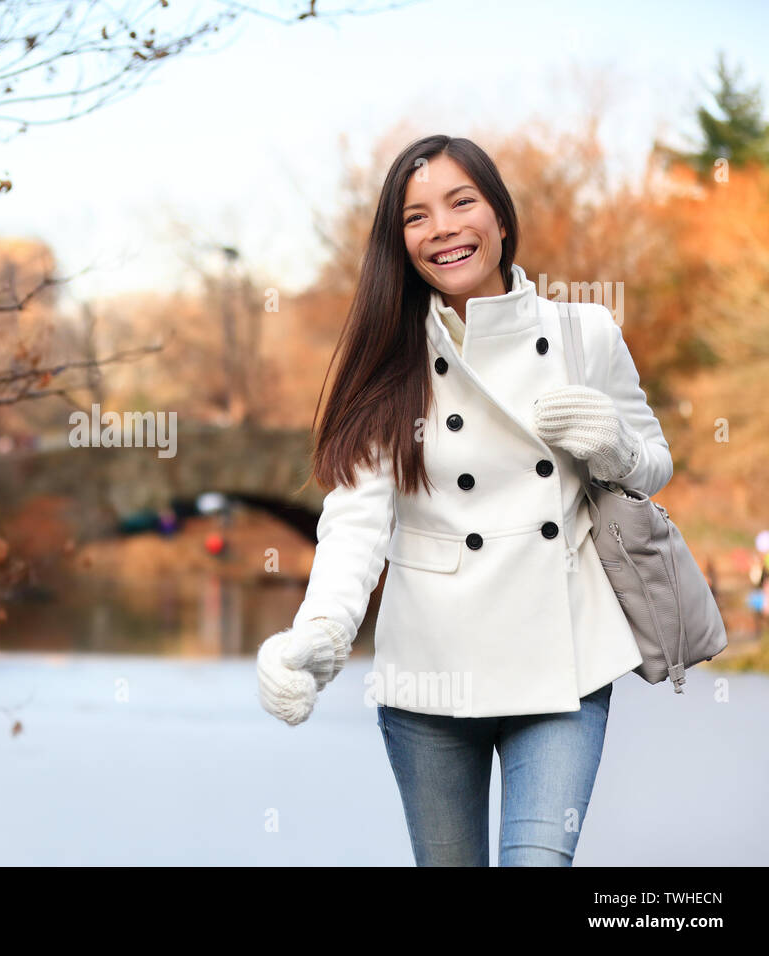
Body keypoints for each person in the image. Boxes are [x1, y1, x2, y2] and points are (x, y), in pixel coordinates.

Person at [256, 135, 672, 866]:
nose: (442, 228)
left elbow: (653, 465)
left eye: (461, 202)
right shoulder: (389, 363)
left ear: (501, 218)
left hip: (564, 667)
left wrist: (611, 445)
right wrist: (319, 633)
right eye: (416, 216)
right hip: (429, 676)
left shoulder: (586, 333)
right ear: (401, 241)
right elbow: (354, 523)